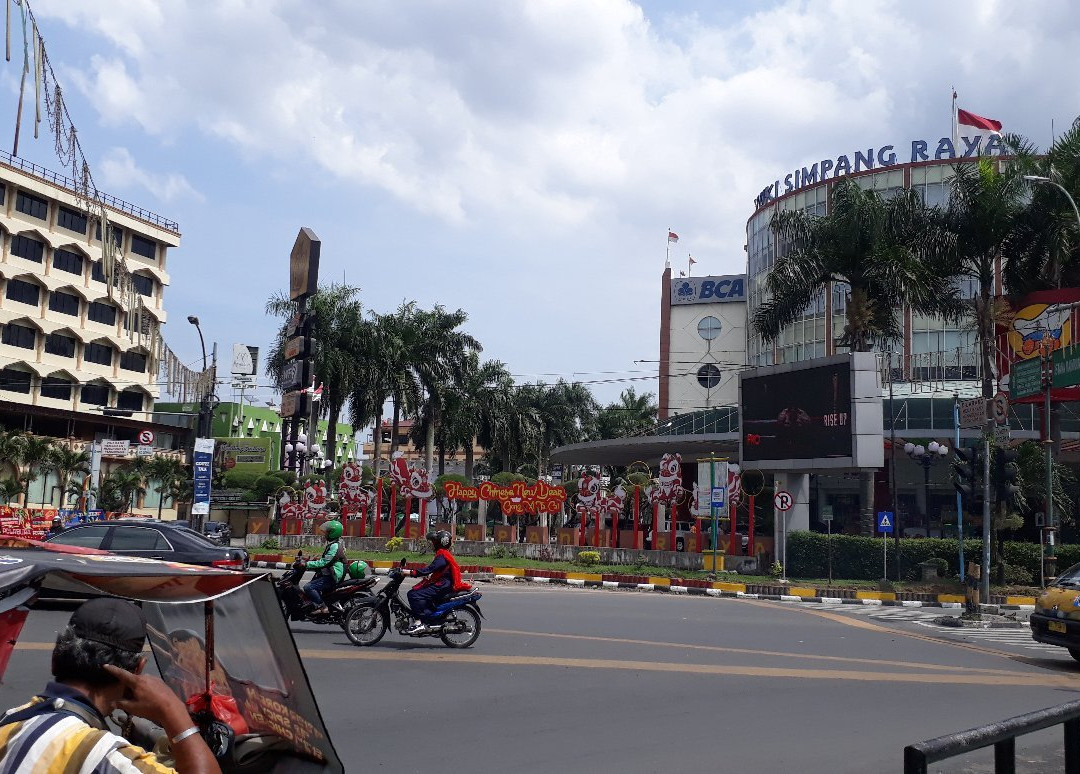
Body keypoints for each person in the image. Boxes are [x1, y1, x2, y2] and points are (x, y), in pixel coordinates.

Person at [0, 597, 221, 774]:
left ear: (55, 659)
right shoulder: (105, 757)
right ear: (137, 670)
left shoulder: (9, 721)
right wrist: (173, 710)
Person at [402, 530, 469, 634]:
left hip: (442, 585)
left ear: (441, 542)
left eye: (434, 541)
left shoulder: (442, 555)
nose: (432, 544)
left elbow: (430, 569)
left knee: (413, 595)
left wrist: (411, 572)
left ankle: (419, 622)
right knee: (419, 591)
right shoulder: (443, 554)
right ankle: (426, 616)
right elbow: (433, 570)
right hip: (443, 583)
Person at [300, 519, 346, 616]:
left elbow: (325, 562)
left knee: (308, 587)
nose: (324, 534)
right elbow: (325, 559)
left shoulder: (335, 546)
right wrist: (309, 560)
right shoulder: (333, 544)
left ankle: (323, 607)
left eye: (327, 532)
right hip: (328, 573)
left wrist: (307, 564)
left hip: (332, 576)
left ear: (332, 533)